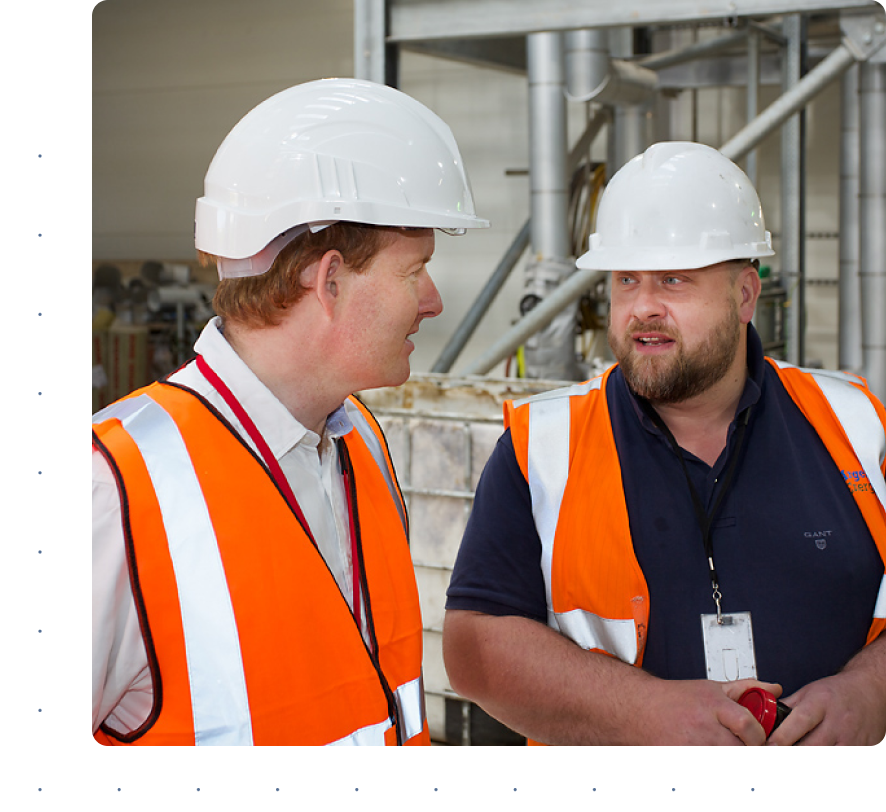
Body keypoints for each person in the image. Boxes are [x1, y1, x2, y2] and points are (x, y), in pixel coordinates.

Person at [443, 141, 886, 746]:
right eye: (627, 280)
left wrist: (872, 691)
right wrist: (640, 712)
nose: (642, 308)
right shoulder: (541, 447)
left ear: (745, 295)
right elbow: (474, 645)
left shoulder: (857, 424)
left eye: (674, 279)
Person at [92, 78, 488, 746]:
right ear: (326, 279)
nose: (433, 298)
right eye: (413, 269)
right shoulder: (117, 488)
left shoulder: (358, 437)